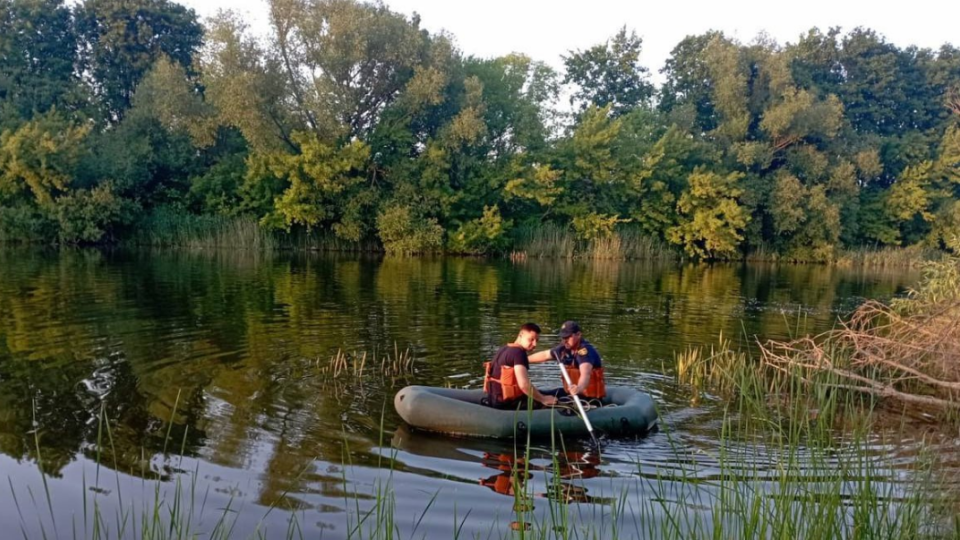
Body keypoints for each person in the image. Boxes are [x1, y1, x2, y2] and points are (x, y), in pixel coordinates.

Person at [483, 323, 558, 409]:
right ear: (521, 335)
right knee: (555, 399)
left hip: (493, 399)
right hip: (507, 404)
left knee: (546, 393)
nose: (535, 344)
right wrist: (543, 399)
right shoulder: (519, 353)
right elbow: (524, 385)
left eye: (536, 340)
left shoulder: (504, 348)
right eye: (531, 339)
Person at [528, 321, 607, 400]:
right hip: (570, 393)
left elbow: (585, 374)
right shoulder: (564, 348)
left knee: (562, 400)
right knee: (542, 393)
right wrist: (524, 359)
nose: (565, 340)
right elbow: (545, 355)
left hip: (588, 397)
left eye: (568, 337)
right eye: (563, 337)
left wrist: (579, 388)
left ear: (578, 335)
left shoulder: (584, 352)